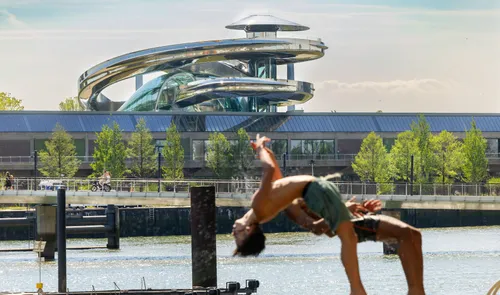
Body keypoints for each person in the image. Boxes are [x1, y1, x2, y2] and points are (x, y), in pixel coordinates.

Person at [232, 134, 425, 295]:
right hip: (317, 189)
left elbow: (278, 178)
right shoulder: (259, 207)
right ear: (249, 230)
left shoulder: (265, 208)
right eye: (238, 236)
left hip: (318, 190)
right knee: (347, 235)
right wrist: (260, 150)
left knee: (348, 234)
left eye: (235, 237)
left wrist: (268, 152)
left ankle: (360, 289)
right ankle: (357, 289)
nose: (233, 232)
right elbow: (270, 170)